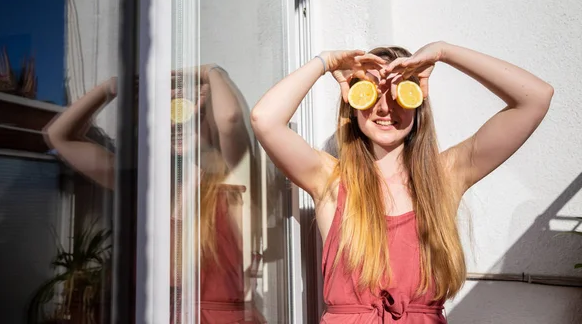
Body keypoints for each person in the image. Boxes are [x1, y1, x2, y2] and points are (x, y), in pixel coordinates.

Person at [250, 41, 553, 323]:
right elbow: (265, 119)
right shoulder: (330, 179)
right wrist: (325, 62)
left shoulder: (444, 176)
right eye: (371, 94)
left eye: (398, 94)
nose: (384, 108)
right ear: (352, 104)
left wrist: (444, 52)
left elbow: (535, 98)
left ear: (418, 101)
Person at [44, 65, 266, 323]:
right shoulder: (148, 186)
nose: (178, 121)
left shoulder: (230, 182)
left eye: (191, 111)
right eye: (169, 114)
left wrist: (209, 72)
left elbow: (231, 120)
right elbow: (58, 136)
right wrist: (110, 88)